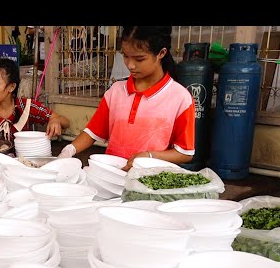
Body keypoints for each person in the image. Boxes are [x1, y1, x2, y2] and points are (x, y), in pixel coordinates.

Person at [58, 26, 195, 171]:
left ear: (161, 53)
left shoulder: (180, 98)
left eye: (139, 58)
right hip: (111, 175)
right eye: (125, 56)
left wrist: (149, 156)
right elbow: (93, 132)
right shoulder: (116, 91)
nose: (130, 65)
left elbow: (185, 153)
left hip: (149, 183)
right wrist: (69, 150)